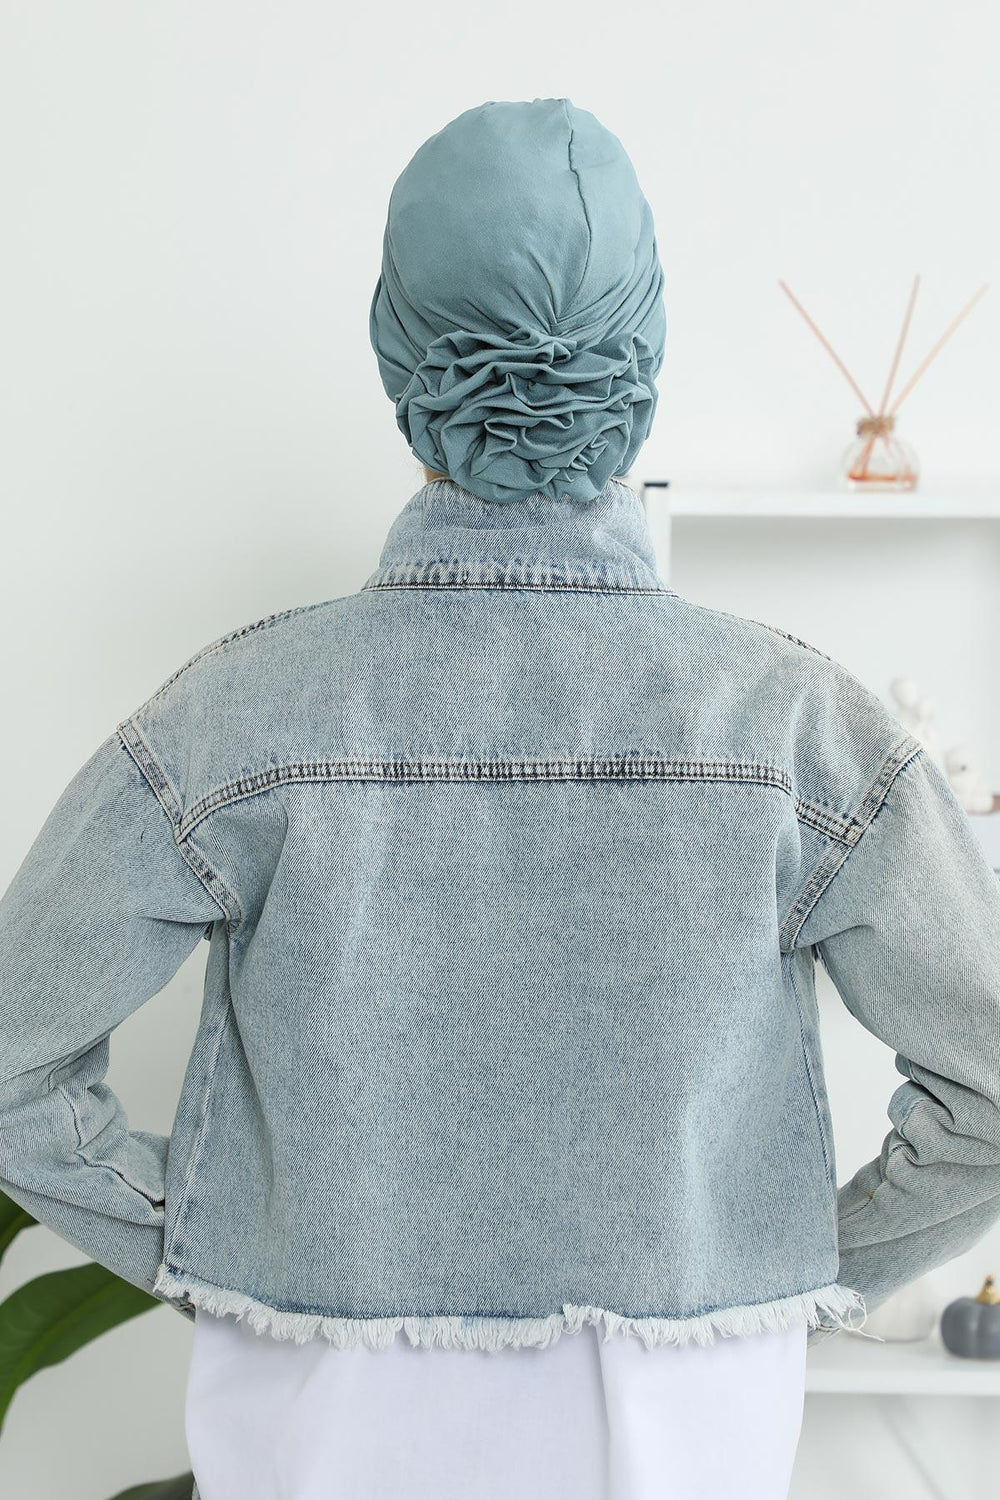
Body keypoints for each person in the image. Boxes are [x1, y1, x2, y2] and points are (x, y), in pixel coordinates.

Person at [1, 97, 999, 1500]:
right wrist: (782, 1260)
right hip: (690, 1414)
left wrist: (216, 1233)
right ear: (642, 367)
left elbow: (13, 1057)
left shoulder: (232, 715)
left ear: (399, 365)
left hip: (316, 1407)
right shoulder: (802, 727)